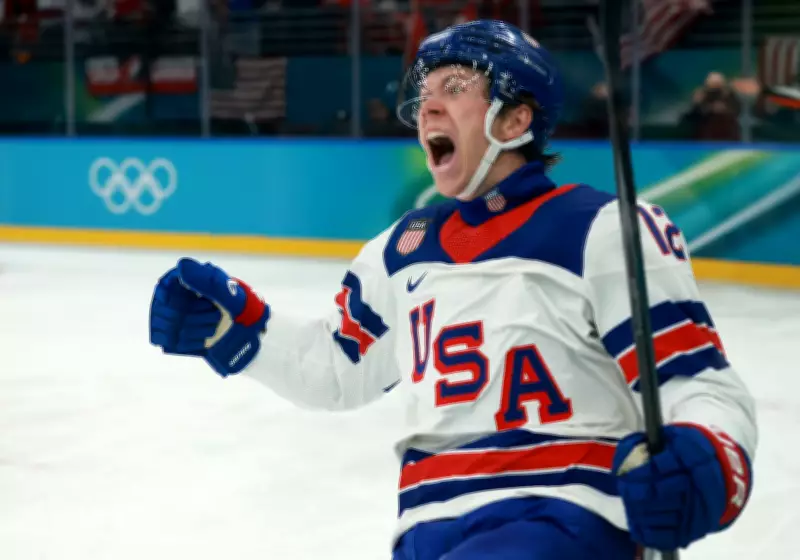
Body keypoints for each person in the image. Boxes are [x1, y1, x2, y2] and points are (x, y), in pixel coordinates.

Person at [148, 20, 757, 559]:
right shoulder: (399, 250)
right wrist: (237, 331)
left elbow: (698, 382)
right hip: (427, 528)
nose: (427, 108)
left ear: (516, 120)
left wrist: (707, 457)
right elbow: (337, 369)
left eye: (456, 86)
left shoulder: (602, 229)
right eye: (424, 94)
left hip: (563, 515)